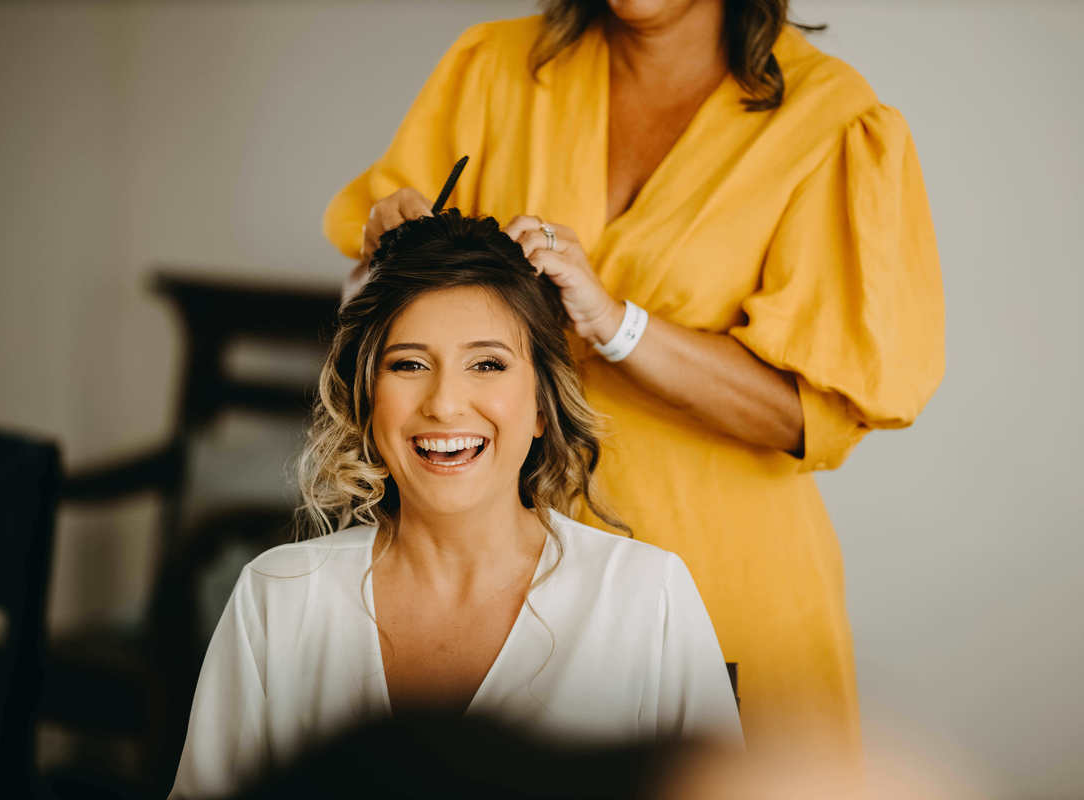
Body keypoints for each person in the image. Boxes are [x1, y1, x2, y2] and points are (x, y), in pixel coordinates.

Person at [324, 0, 946, 766]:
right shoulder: (495, 66)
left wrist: (617, 324)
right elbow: (379, 307)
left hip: (727, 582)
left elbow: (810, 419)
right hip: (494, 580)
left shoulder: (830, 120)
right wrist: (385, 240)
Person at [169, 211, 742, 799]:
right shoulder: (279, 594)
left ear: (543, 406)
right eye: (409, 364)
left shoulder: (648, 598)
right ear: (368, 400)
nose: (444, 404)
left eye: (488, 364)